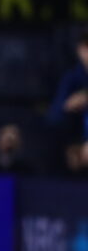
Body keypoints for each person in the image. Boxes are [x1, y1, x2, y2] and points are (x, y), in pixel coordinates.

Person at [49, 31, 88, 173]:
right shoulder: (71, 79)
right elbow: (54, 116)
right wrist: (68, 106)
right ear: (79, 50)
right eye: (86, 48)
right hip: (75, 142)